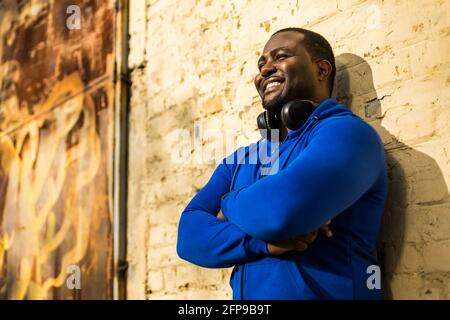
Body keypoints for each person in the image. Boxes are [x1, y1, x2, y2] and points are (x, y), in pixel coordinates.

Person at [177, 27, 388, 300]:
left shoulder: (348, 135)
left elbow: (280, 214)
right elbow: (188, 237)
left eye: (281, 57)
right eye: (262, 63)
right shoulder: (243, 159)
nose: (266, 69)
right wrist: (260, 242)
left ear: (322, 71)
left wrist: (227, 203)